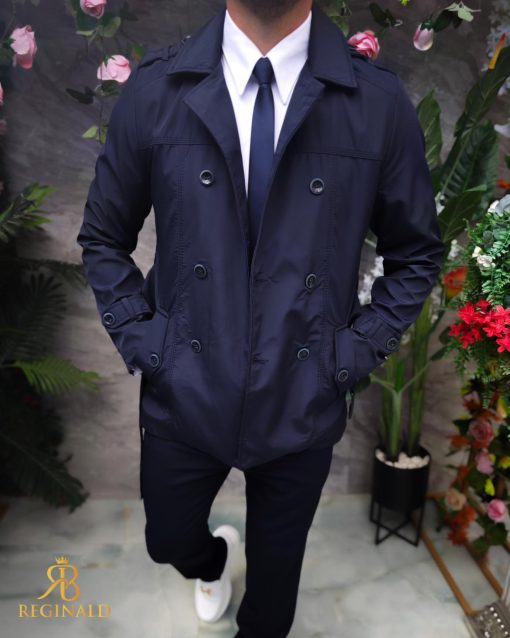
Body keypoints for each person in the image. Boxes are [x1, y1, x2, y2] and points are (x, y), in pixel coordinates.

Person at [77, 0, 445, 635]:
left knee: (272, 606)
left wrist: (350, 353)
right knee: (168, 539)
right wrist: (149, 343)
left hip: (302, 392)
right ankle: (213, 560)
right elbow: (103, 237)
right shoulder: (157, 89)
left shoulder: (377, 102)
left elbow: (415, 253)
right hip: (186, 386)